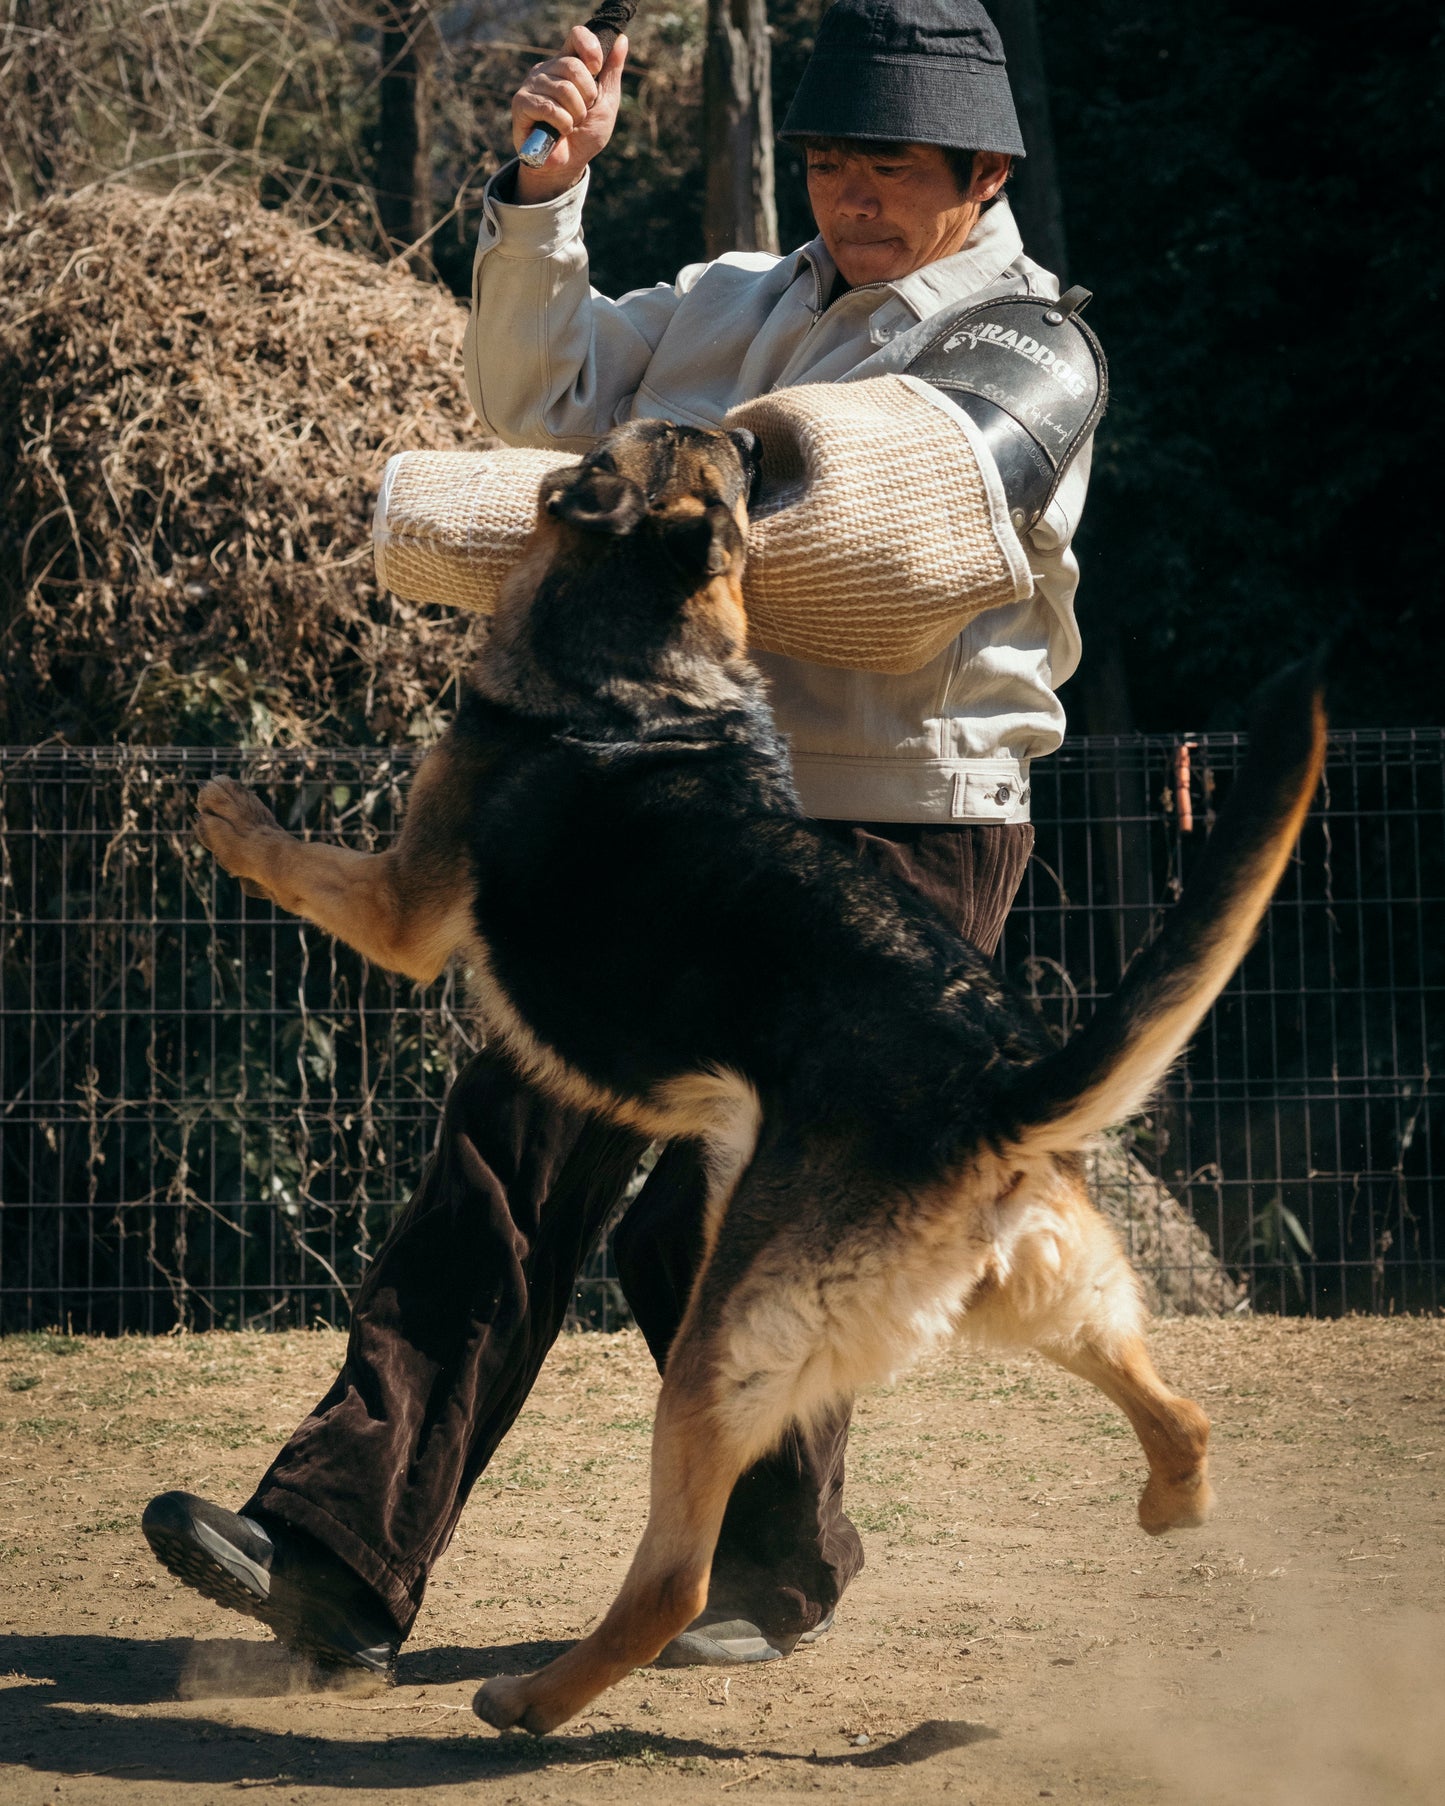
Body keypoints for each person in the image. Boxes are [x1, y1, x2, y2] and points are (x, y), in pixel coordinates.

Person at [143, 0, 1093, 1678]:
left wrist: (617, 511)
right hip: (679, 794)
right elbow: (533, 394)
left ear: (982, 172)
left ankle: (774, 1557)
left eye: (889, 172)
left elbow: (894, 531)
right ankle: (335, 1557)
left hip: (903, 816)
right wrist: (541, 198)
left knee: (717, 1219)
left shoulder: (1034, 345)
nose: (850, 199)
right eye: (827, 164)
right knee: (512, 1136)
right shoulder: (731, 300)